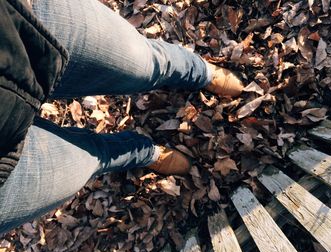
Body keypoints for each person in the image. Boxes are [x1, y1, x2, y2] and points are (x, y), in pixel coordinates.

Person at [0, 0, 243, 234]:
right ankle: (143, 152)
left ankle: (196, 71)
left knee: (141, 64)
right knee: (90, 159)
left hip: (13, 20)